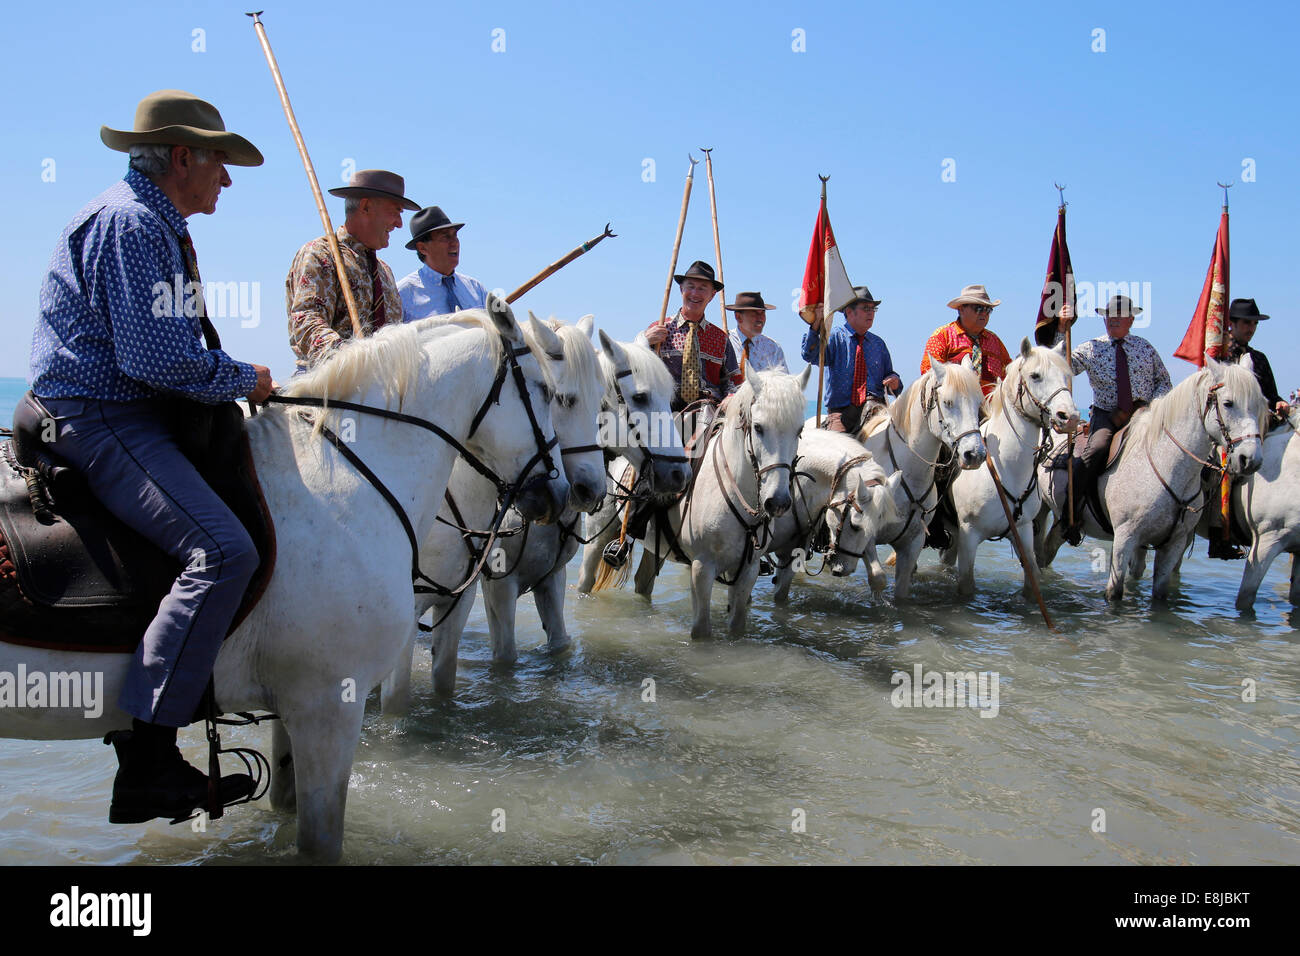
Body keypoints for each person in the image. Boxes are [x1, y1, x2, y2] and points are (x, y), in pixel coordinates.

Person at [26, 89, 275, 823]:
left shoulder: (150, 222)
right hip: (101, 416)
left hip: (121, 407)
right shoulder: (134, 224)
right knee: (225, 552)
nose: (226, 180)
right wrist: (248, 379)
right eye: (220, 164)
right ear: (182, 157)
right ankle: (149, 758)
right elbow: (153, 361)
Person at [286, 169, 419, 371]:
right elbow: (306, 321)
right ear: (365, 207)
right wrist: (354, 362)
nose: (399, 224)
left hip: (382, 390)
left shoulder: (384, 271)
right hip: (328, 387)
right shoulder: (321, 255)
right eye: (396, 211)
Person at [1064, 293, 1172, 544]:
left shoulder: (1145, 348)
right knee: (1096, 450)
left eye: (1118, 316)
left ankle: (1175, 517)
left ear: (1131, 320)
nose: (1112, 320)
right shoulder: (1091, 348)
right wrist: (1062, 330)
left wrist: (1153, 409)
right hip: (1107, 415)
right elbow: (1063, 364)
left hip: (1145, 414)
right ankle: (1071, 513)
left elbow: (1164, 382)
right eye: (1108, 316)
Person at [643, 260, 741, 411]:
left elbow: (734, 381)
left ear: (712, 295)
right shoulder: (659, 329)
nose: (695, 293)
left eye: (702, 288)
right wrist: (644, 342)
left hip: (709, 410)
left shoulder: (720, 338)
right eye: (691, 287)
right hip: (666, 407)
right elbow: (635, 369)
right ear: (681, 289)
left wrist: (732, 397)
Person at [801, 285, 901, 433]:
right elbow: (810, 355)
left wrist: (894, 382)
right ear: (849, 311)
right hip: (842, 414)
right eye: (866, 308)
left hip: (876, 411)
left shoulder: (878, 344)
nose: (871, 313)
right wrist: (815, 327)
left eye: (873, 309)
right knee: (837, 451)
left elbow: (890, 377)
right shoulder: (834, 337)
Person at [397, 205, 488, 321]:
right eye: (445, 237)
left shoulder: (476, 289)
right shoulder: (403, 295)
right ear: (422, 248)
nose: (454, 243)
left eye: (455, 235)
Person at [921, 284, 1013, 397]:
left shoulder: (995, 341)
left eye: (988, 310)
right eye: (978, 308)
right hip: (956, 408)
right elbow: (930, 372)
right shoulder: (942, 336)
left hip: (991, 409)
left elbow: (1010, 374)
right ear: (961, 309)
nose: (984, 313)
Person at [1225, 298, 1288, 420]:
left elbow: (1271, 396)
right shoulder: (1219, 355)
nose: (1252, 328)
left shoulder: (1259, 358)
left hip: (1260, 425)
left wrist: (1280, 403)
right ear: (1231, 323)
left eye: (1255, 323)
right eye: (1247, 322)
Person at [726, 291, 788, 377]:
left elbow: (784, 383)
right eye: (755, 313)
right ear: (738, 317)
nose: (761, 318)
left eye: (763, 313)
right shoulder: (725, 342)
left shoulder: (773, 348)